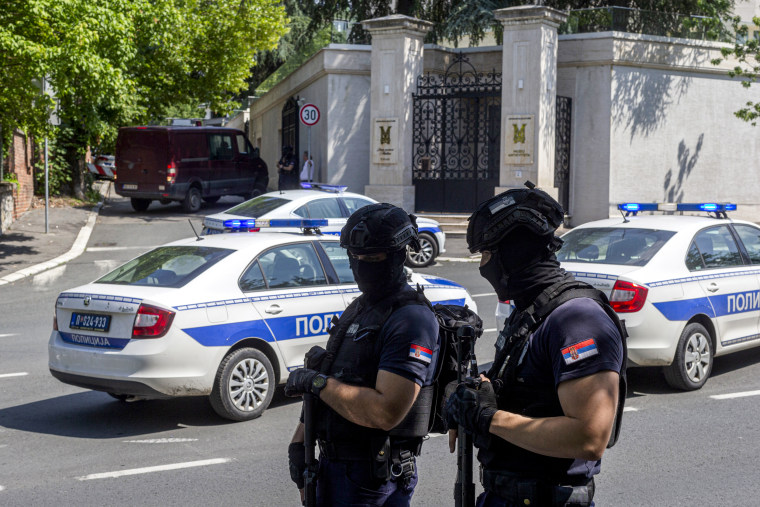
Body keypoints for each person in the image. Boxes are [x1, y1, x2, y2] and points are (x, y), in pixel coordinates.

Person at [445, 182, 626, 507]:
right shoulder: (532, 311)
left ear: (514, 253)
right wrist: (475, 392)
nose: (483, 265)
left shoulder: (577, 320)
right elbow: (526, 388)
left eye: (488, 254)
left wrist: (488, 418)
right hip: (503, 493)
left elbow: (589, 436)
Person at [285, 203, 440, 507]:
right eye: (354, 257)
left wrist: (316, 384)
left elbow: (386, 412)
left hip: (374, 477)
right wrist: (300, 441)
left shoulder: (412, 320)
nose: (360, 265)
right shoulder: (360, 307)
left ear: (397, 257)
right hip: (333, 467)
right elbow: (332, 374)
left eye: (371, 258)